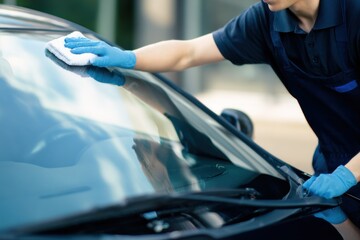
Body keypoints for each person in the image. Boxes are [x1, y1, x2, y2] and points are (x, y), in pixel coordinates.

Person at [64, 0, 360, 233]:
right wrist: (129, 59)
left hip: (345, 176)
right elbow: (189, 53)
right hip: (331, 179)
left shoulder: (354, 13)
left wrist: (347, 175)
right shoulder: (267, 20)